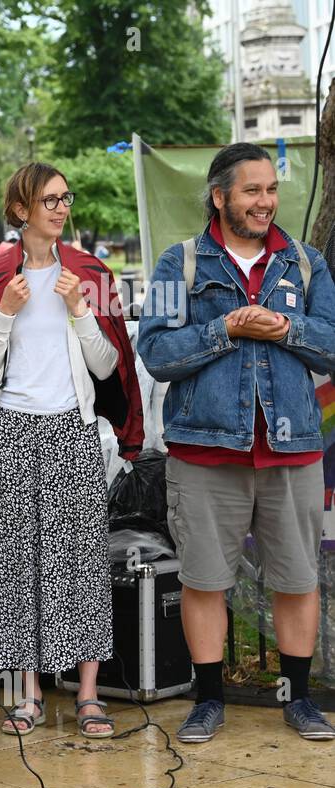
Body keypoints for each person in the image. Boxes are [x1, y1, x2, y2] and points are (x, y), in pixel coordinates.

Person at [138, 142, 335, 742]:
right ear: (220, 196)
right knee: (204, 580)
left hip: (291, 449)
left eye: (271, 190)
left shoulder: (306, 264)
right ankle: (209, 699)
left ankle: (298, 700)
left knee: (298, 578)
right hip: (203, 452)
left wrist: (287, 327)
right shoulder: (180, 265)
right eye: (252, 191)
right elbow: (156, 351)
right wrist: (223, 328)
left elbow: (329, 343)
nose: (265, 202)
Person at [0, 163, 144, 739]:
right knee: (14, 563)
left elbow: (111, 367)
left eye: (66, 198)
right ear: (20, 210)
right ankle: (29, 693)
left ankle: (88, 694)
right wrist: (7, 313)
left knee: (79, 561)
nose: (61, 208)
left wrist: (82, 312)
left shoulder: (89, 274)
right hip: (11, 431)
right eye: (49, 199)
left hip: (72, 430)